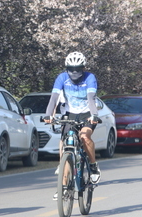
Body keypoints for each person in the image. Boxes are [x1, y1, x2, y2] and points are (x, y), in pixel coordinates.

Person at [43, 52, 101, 200]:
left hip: (86, 113)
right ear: (66, 68)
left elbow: (91, 97)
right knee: (65, 146)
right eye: (71, 69)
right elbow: (54, 97)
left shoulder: (90, 77)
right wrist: (49, 114)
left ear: (83, 68)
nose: (74, 72)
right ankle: (63, 188)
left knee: (84, 136)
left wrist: (94, 115)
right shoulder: (62, 78)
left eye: (78, 69)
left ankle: (93, 167)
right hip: (69, 114)